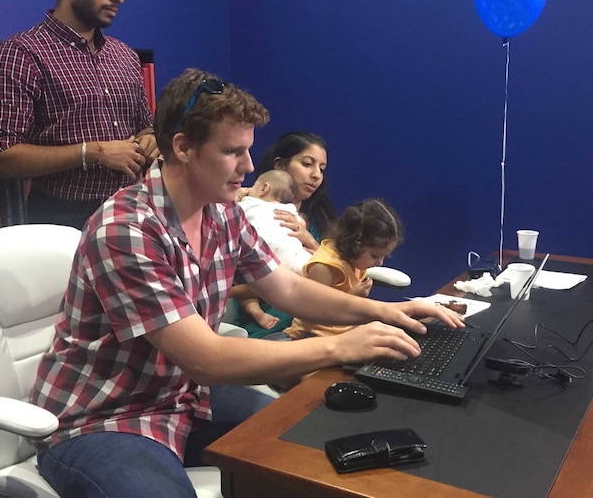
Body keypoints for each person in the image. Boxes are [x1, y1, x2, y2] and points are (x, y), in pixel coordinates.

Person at [29, 67, 463, 498]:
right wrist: (337, 347)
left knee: (305, 440)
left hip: (181, 397)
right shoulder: (125, 230)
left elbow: (287, 289)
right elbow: (205, 359)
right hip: (102, 418)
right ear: (182, 148)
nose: (250, 166)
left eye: (249, 150)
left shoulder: (223, 213)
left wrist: (387, 310)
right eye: (233, 151)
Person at [0, 0, 158, 230]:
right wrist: (94, 152)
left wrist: (150, 139)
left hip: (131, 206)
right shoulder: (22, 53)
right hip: (62, 217)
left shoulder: (125, 55)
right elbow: (0, 156)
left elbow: (143, 125)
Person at [232, 131, 336, 338]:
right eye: (307, 164)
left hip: (320, 319)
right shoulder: (247, 210)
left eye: (321, 169)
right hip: (272, 326)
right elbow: (228, 285)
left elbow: (335, 273)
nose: (316, 175)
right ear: (279, 165)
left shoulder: (318, 220)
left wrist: (311, 242)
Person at [285, 197, 403, 339]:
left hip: (342, 328)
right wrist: (351, 297)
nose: (380, 263)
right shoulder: (324, 267)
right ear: (356, 244)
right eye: (375, 256)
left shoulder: (355, 260)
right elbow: (313, 311)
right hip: (314, 335)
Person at [238, 169, 314, 330]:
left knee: (248, 278)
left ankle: (255, 310)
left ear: (264, 189)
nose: (316, 175)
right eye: (307, 164)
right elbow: (302, 224)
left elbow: (230, 209)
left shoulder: (248, 204)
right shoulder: (291, 211)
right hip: (300, 266)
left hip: (263, 266)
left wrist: (240, 194)